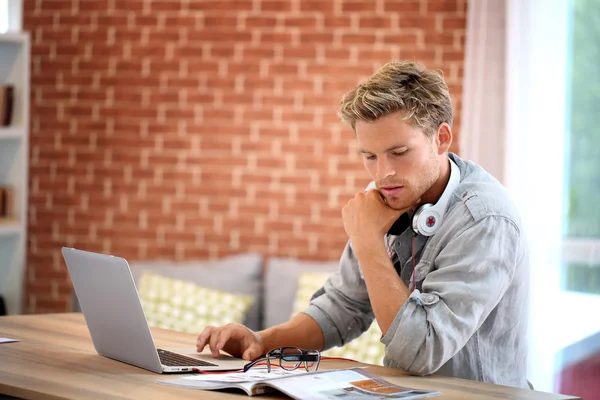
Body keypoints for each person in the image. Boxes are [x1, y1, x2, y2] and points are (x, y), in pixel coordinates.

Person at [196, 61, 530, 388]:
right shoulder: (391, 195)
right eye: (369, 156)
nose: (382, 174)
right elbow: (343, 306)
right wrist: (261, 341)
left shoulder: (485, 220)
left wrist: (368, 240)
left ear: (441, 138)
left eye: (399, 152)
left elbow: (421, 353)